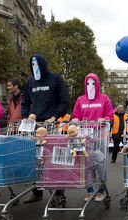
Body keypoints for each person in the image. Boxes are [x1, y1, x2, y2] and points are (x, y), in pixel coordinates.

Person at [22, 53, 70, 203]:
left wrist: (55, 116)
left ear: (43, 64)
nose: (34, 67)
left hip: (51, 125)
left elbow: (65, 100)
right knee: (36, 159)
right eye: (32, 64)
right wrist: (26, 116)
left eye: (37, 64)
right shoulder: (30, 82)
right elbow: (25, 102)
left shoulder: (55, 79)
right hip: (35, 126)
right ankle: (37, 192)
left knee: (54, 159)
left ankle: (58, 192)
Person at [72, 72, 114, 202]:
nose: (90, 85)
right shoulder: (80, 100)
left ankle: (100, 190)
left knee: (100, 164)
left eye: (93, 83)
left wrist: (104, 119)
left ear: (97, 84)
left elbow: (110, 115)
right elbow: (76, 115)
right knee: (86, 164)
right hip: (85, 137)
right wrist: (75, 121)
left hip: (100, 135)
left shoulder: (104, 98)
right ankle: (90, 190)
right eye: (88, 83)